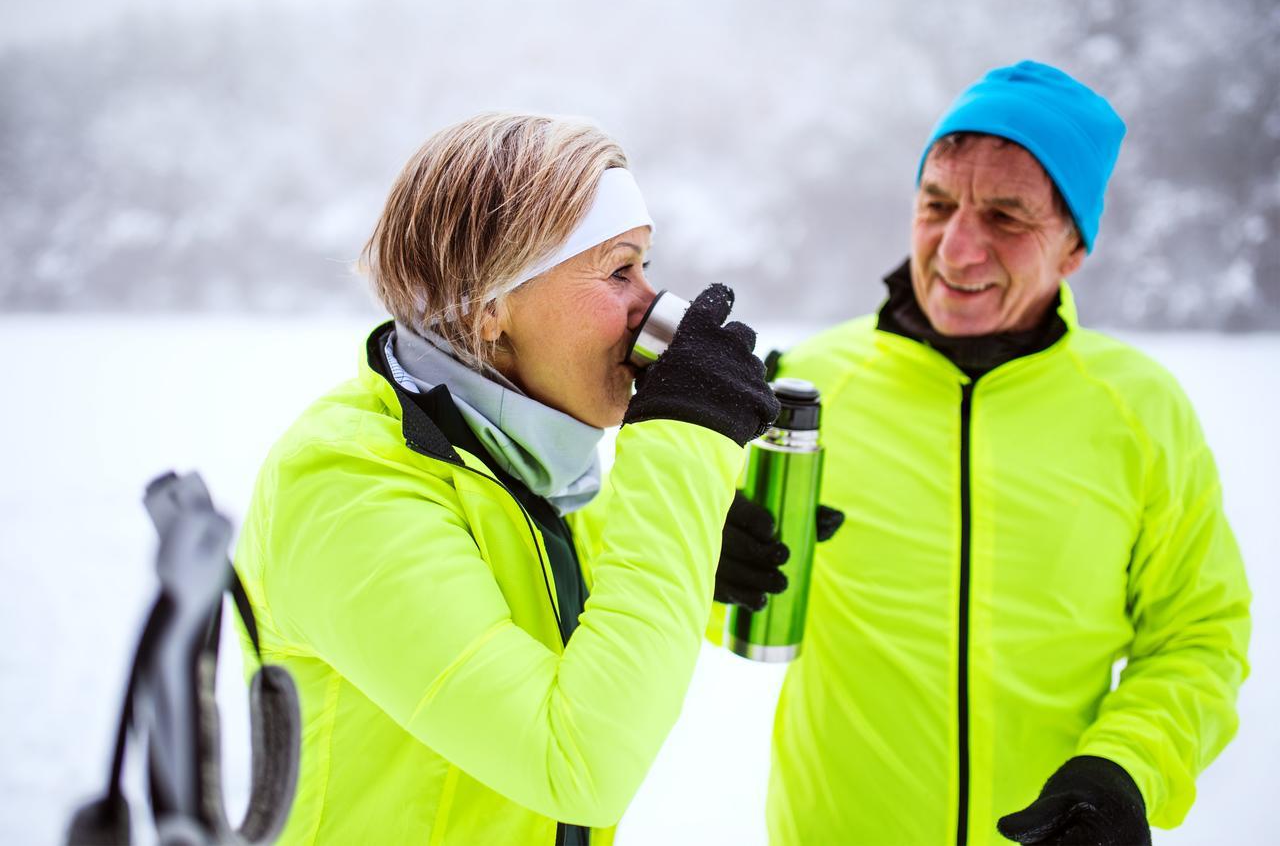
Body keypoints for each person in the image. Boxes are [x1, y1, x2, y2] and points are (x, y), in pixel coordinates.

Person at [715, 61, 1251, 844]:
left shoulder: (1139, 411)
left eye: (1006, 217)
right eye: (937, 205)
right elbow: (676, 589)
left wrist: (1127, 769)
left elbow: (1198, 635)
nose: (957, 250)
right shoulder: (805, 385)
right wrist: (704, 553)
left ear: (1074, 246)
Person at [232, 112, 779, 844]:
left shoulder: (522, 461)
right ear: (489, 305)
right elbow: (578, 766)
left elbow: (556, 612)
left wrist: (693, 545)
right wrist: (680, 449)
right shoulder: (345, 487)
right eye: (620, 270)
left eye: (646, 266)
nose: (652, 305)